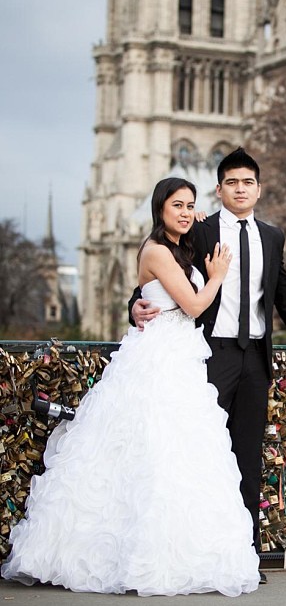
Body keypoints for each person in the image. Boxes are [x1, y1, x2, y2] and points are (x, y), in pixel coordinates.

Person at [1, 178, 260, 597]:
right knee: (147, 451)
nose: (184, 212)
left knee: (178, 455)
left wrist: (141, 296)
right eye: (176, 204)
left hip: (181, 358)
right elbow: (193, 305)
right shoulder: (156, 250)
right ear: (159, 208)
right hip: (157, 357)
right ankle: (135, 555)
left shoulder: (183, 246)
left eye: (190, 205)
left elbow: (157, 294)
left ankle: (174, 553)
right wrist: (217, 276)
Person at [130, 148, 286, 582]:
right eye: (232, 182)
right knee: (203, 457)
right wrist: (134, 307)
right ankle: (196, 555)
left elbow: (284, 294)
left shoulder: (273, 235)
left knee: (247, 461)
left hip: (255, 361)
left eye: (248, 182)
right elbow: (161, 280)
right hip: (209, 357)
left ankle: (244, 559)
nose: (240, 189)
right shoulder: (200, 231)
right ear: (220, 189)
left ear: (259, 189)